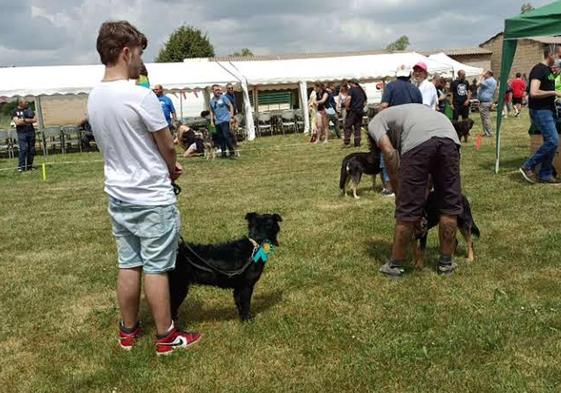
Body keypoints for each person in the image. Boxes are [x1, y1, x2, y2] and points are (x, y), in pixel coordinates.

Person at [87, 20, 202, 355]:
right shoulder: (141, 97)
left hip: (118, 193)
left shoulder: (94, 97)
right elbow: (167, 145)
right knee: (156, 266)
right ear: (126, 52)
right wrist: (170, 169)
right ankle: (166, 336)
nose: (139, 61)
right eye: (138, 54)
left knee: (128, 262)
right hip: (151, 195)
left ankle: (128, 331)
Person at [368, 104, 462, 277]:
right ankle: (446, 263)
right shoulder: (413, 110)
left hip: (418, 144)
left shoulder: (375, 121)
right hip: (450, 138)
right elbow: (426, 180)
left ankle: (395, 266)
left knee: (407, 209)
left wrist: (399, 193)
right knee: (449, 204)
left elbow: (389, 153)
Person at [378, 65, 423, 197]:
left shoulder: (391, 86)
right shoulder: (415, 89)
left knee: (387, 154)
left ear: (397, 74)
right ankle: (408, 184)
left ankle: (389, 187)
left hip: (392, 125)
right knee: (408, 155)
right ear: (409, 75)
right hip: (410, 125)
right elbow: (419, 108)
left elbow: (384, 105)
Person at [520, 48, 561, 184]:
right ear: (550, 54)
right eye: (558, 54)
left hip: (549, 110)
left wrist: (555, 76)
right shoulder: (538, 69)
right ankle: (528, 165)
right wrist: (554, 93)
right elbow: (533, 92)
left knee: (551, 142)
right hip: (541, 111)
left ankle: (545, 174)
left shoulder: (548, 70)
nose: (560, 56)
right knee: (553, 141)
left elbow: (545, 83)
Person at [209, 84, 237, 158]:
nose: (218, 91)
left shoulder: (223, 97)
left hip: (225, 120)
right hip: (218, 121)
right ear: (213, 91)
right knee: (220, 137)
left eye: (219, 90)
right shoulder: (211, 101)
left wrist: (231, 116)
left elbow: (230, 106)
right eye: (216, 90)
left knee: (226, 135)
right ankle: (223, 153)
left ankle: (232, 152)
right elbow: (211, 111)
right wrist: (212, 121)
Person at [11, 98, 37, 172]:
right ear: (20, 103)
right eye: (25, 102)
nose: (27, 103)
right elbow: (17, 123)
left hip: (31, 132)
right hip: (22, 133)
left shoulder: (29, 109)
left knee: (31, 150)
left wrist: (24, 120)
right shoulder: (15, 111)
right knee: (23, 149)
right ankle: (21, 167)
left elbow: (35, 119)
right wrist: (28, 121)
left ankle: (29, 167)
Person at [344, 79, 367, 148]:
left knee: (348, 126)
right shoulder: (361, 90)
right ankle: (357, 143)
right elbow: (365, 100)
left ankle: (347, 142)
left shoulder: (352, 89)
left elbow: (348, 99)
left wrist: (346, 106)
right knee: (357, 127)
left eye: (349, 83)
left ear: (352, 83)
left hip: (352, 111)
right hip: (360, 111)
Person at [476, 70, 497, 137]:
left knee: (485, 118)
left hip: (485, 102)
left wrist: (481, 76)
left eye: (485, 74)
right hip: (488, 101)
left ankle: (489, 133)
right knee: (485, 118)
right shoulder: (493, 80)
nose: (483, 75)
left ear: (488, 74)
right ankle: (486, 132)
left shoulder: (488, 81)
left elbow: (477, 84)